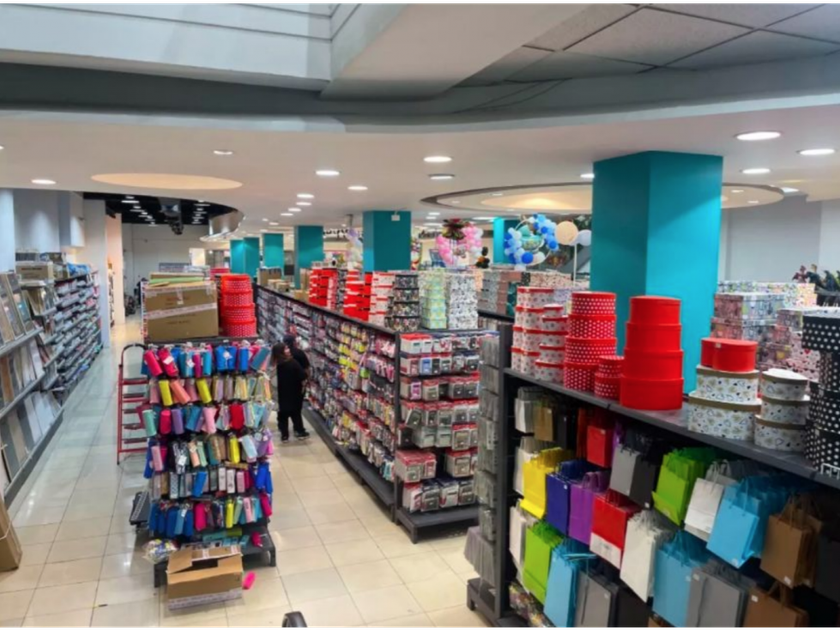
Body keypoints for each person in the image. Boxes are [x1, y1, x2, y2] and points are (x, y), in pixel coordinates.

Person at [272, 342, 310, 442]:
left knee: (282, 415)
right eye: (286, 349)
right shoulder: (292, 363)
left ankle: (284, 435)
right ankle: (299, 431)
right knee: (296, 413)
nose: (288, 350)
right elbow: (303, 375)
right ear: (281, 352)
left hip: (280, 394)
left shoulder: (274, 365)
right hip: (294, 392)